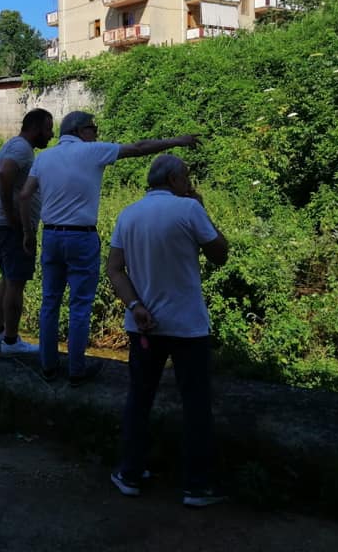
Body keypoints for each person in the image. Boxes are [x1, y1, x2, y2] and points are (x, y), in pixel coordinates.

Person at [19, 111, 198, 388]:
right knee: (80, 305)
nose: (96, 133)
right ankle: (76, 370)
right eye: (93, 128)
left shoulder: (44, 158)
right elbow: (138, 148)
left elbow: (24, 195)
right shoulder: (93, 151)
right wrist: (177, 141)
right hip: (81, 237)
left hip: (51, 235)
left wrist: (29, 233)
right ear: (80, 130)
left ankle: (48, 366)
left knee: (50, 302)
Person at [106, 154, 229, 507]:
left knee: (139, 398)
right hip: (188, 326)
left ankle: (130, 473)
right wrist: (202, 208)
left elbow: (114, 269)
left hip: (143, 325)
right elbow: (220, 254)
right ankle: (197, 485)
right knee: (196, 403)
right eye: (186, 177)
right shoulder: (189, 210)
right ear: (174, 179)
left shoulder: (128, 214)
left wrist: (135, 306)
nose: (189, 183)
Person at [0, 108, 54, 354]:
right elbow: (5, 173)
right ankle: (11, 341)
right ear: (35, 128)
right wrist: (15, 219)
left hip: (0, 225)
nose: (51, 134)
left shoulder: (15, 145)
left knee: (7, 279)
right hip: (10, 228)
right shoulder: (22, 149)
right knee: (16, 283)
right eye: (48, 129)